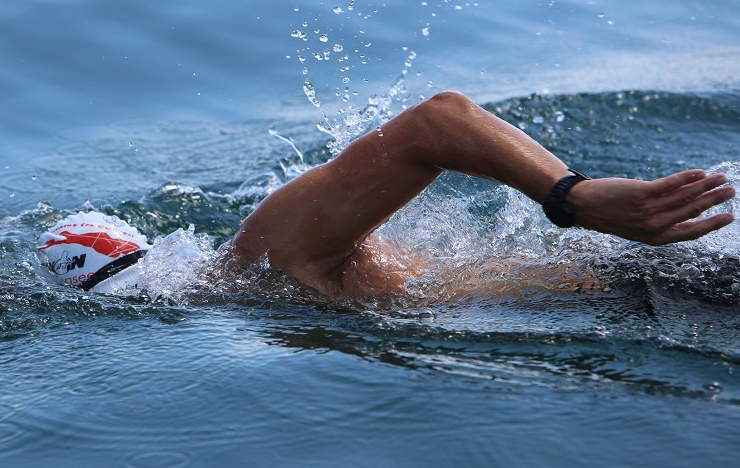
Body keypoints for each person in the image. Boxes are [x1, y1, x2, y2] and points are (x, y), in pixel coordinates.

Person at [36, 91, 735, 298]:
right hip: (660, 286)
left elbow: (435, 120)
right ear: (145, 248)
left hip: (664, 280)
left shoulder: (261, 261)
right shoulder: (249, 286)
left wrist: (572, 197)